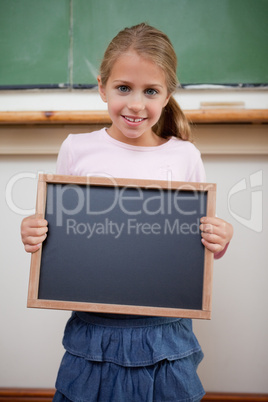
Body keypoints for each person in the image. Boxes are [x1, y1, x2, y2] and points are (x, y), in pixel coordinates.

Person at [21, 23, 233, 402]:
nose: (136, 104)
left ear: (167, 95)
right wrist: (35, 231)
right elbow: (59, 231)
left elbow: (199, 245)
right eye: (123, 88)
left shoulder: (184, 155)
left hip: (164, 332)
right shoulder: (77, 149)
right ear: (102, 87)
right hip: (94, 330)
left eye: (150, 91)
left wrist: (219, 239)